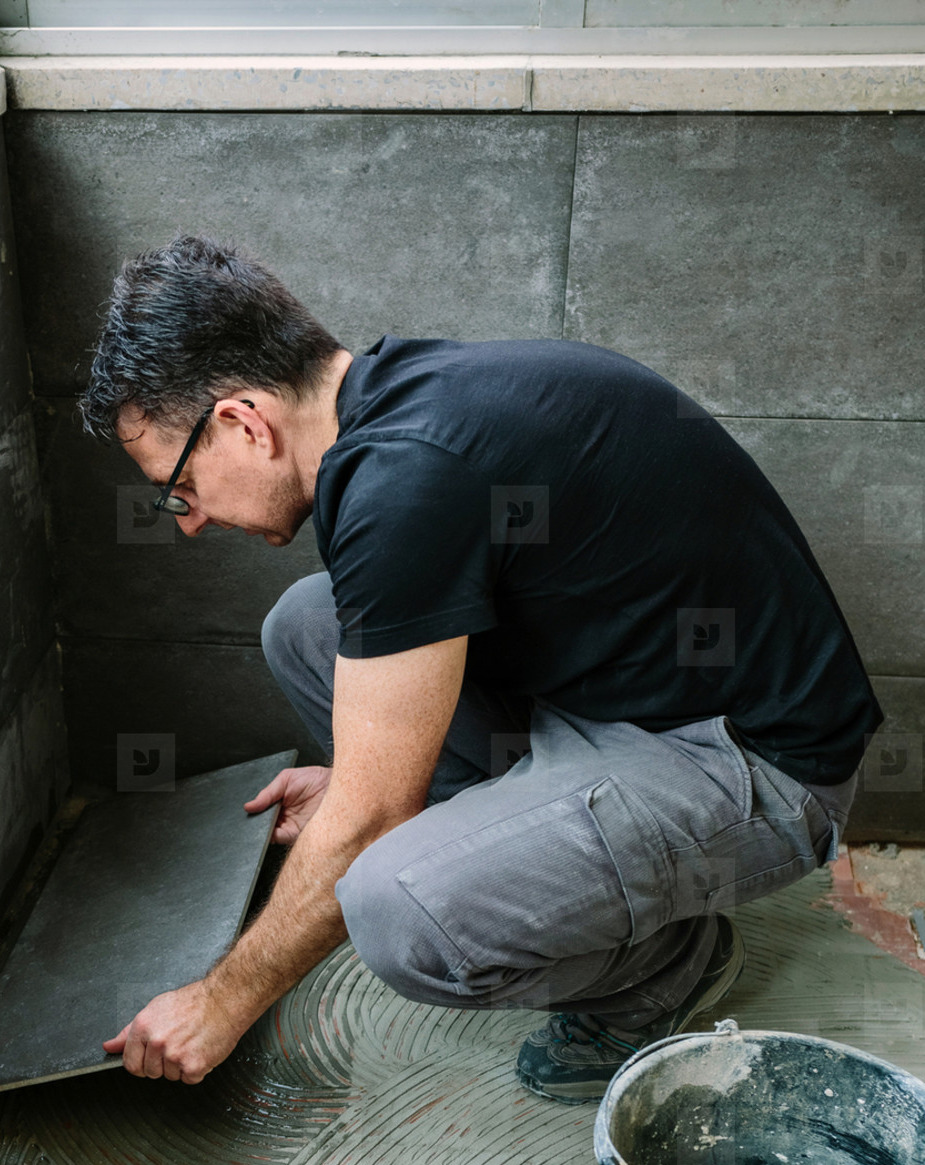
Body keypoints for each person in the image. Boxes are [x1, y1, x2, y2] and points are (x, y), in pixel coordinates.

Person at [83, 235, 881, 1100]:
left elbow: (365, 825)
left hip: (757, 765)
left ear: (243, 422)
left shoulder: (405, 484)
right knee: (305, 626)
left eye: (179, 488)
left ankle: (664, 969)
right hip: (624, 697)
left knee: (394, 910)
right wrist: (365, 778)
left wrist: (220, 1002)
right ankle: (524, 845)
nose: (187, 522)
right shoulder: (404, 403)